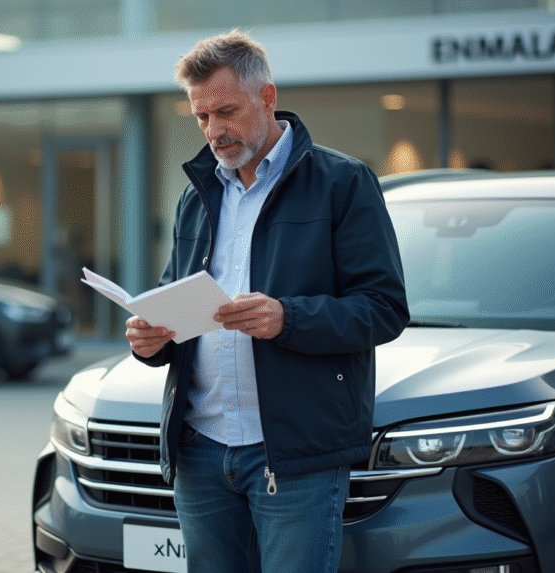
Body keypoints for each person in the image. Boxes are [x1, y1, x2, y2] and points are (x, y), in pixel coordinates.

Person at [125, 30, 409, 573]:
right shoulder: (197, 194)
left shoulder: (342, 183)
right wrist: (150, 339)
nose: (214, 130)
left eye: (226, 111)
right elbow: (173, 298)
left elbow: (384, 307)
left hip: (293, 455)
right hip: (200, 450)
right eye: (201, 117)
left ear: (268, 98)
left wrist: (288, 318)